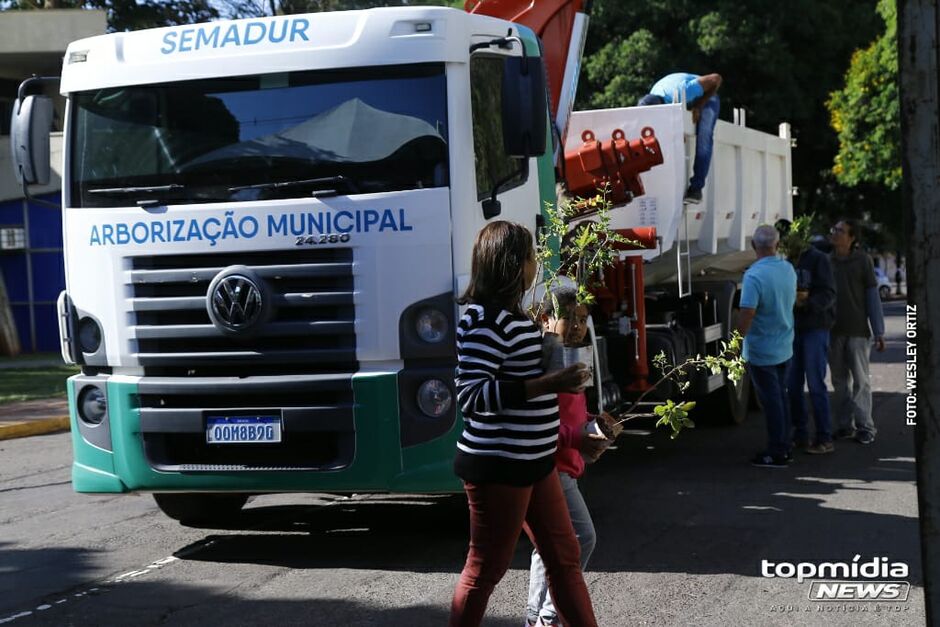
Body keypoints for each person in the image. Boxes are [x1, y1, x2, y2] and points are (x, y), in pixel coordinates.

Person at [449, 221, 598, 627]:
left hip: (536, 463)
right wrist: (548, 383)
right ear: (514, 265)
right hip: (499, 465)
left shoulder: (515, 318)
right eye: (531, 256)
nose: (536, 265)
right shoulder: (485, 321)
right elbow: (472, 397)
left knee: (565, 557)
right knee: (485, 568)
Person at [526, 287, 622, 627]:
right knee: (581, 538)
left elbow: (571, 415)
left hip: (562, 467)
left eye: (582, 319)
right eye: (568, 317)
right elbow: (539, 424)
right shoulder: (543, 364)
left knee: (547, 547)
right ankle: (549, 617)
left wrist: (595, 425)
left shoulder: (571, 358)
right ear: (544, 318)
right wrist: (578, 437)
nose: (578, 326)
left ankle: (535, 617)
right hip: (549, 469)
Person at [736, 225, 797, 468]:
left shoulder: (754, 276)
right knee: (781, 397)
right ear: (777, 245)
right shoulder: (788, 269)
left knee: (771, 402)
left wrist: (735, 342)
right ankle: (786, 445)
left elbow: (747, 313)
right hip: (785, 345)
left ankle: (777, 451)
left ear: (753, 246)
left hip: (762, 349)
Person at [776, 220, 837, 455]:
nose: (785, 244)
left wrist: (807, 303)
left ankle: (824, 437)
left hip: (815, 327)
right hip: (793, 328)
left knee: (815, 383)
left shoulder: (818, 259)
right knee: (792, 384)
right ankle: (800, 433)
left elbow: (829, 293)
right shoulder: (785, 261)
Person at [828, 219, 886, 445]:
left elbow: (872, 296)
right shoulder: (827, 261)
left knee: (861, 381)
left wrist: (879, 331)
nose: (835, 233)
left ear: (851, 238)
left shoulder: (862, 260)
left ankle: (866, 427)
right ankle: (844, 426)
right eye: (834, 229)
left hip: (858, 331)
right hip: (833, 331)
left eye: (840, 231)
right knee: (839, 382)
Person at [637, 72, 722, 204]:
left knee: (704, 139)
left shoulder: (685, 90)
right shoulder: (653, 98)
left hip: (707, 99)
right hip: (681, 98)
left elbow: (716, 79)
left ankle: (696, 188)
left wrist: (699, 104)